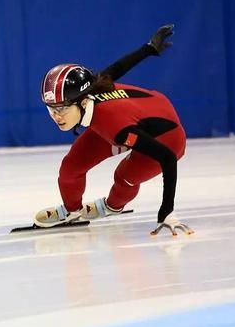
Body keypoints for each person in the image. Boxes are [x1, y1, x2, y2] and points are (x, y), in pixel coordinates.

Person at [35, 25, 193, 236]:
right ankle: (72, 212)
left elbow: (167, 158)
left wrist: (166, 211)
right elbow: (118, 68)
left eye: (62, 108)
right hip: (135, 114)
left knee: (125, 176)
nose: (57, 116)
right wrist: (148, 49)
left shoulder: (114, 126)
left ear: (83, 103)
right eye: (51, 108)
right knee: (71, 166)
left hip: (168, 136)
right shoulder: (94, 87)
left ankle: (113, 206)